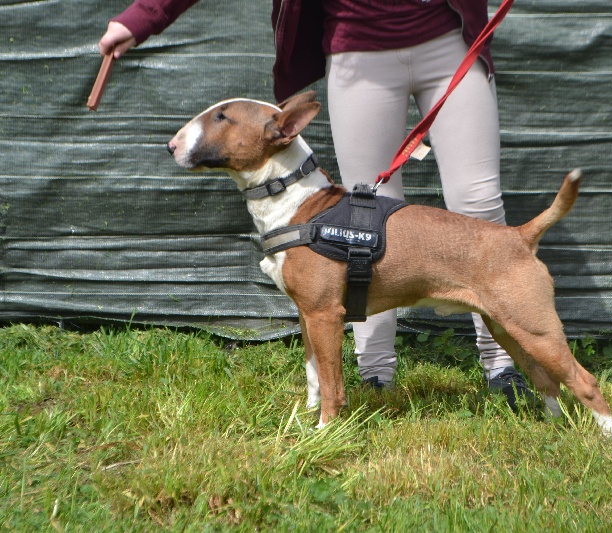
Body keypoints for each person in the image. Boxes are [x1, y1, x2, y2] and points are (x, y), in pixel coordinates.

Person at [99, 0, 537, 410]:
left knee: (478, 204)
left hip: (449, 39)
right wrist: (143, 16)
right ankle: (375, 371)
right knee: (366, 221)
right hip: (358, 51)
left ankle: (501, 364)